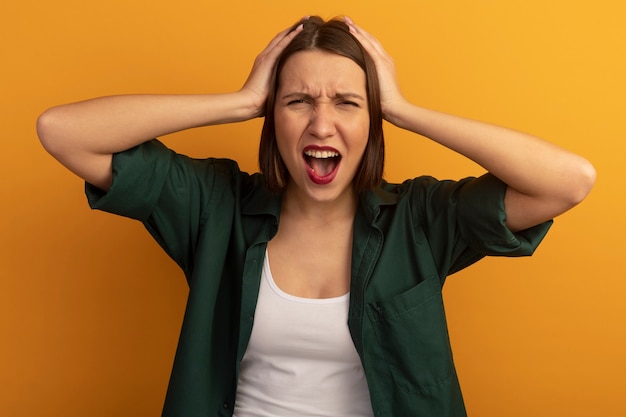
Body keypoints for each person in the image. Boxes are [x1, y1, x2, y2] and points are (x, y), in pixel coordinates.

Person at [37, 15, 595, 417]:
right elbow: (62, 132)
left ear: (371, 122)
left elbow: (569, 181)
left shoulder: (421, 219)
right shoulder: (215, 206)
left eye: (348, 103)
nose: (321, 126)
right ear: (271, 118)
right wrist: (238, 100)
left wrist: (401, 108)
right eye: (297, 101)